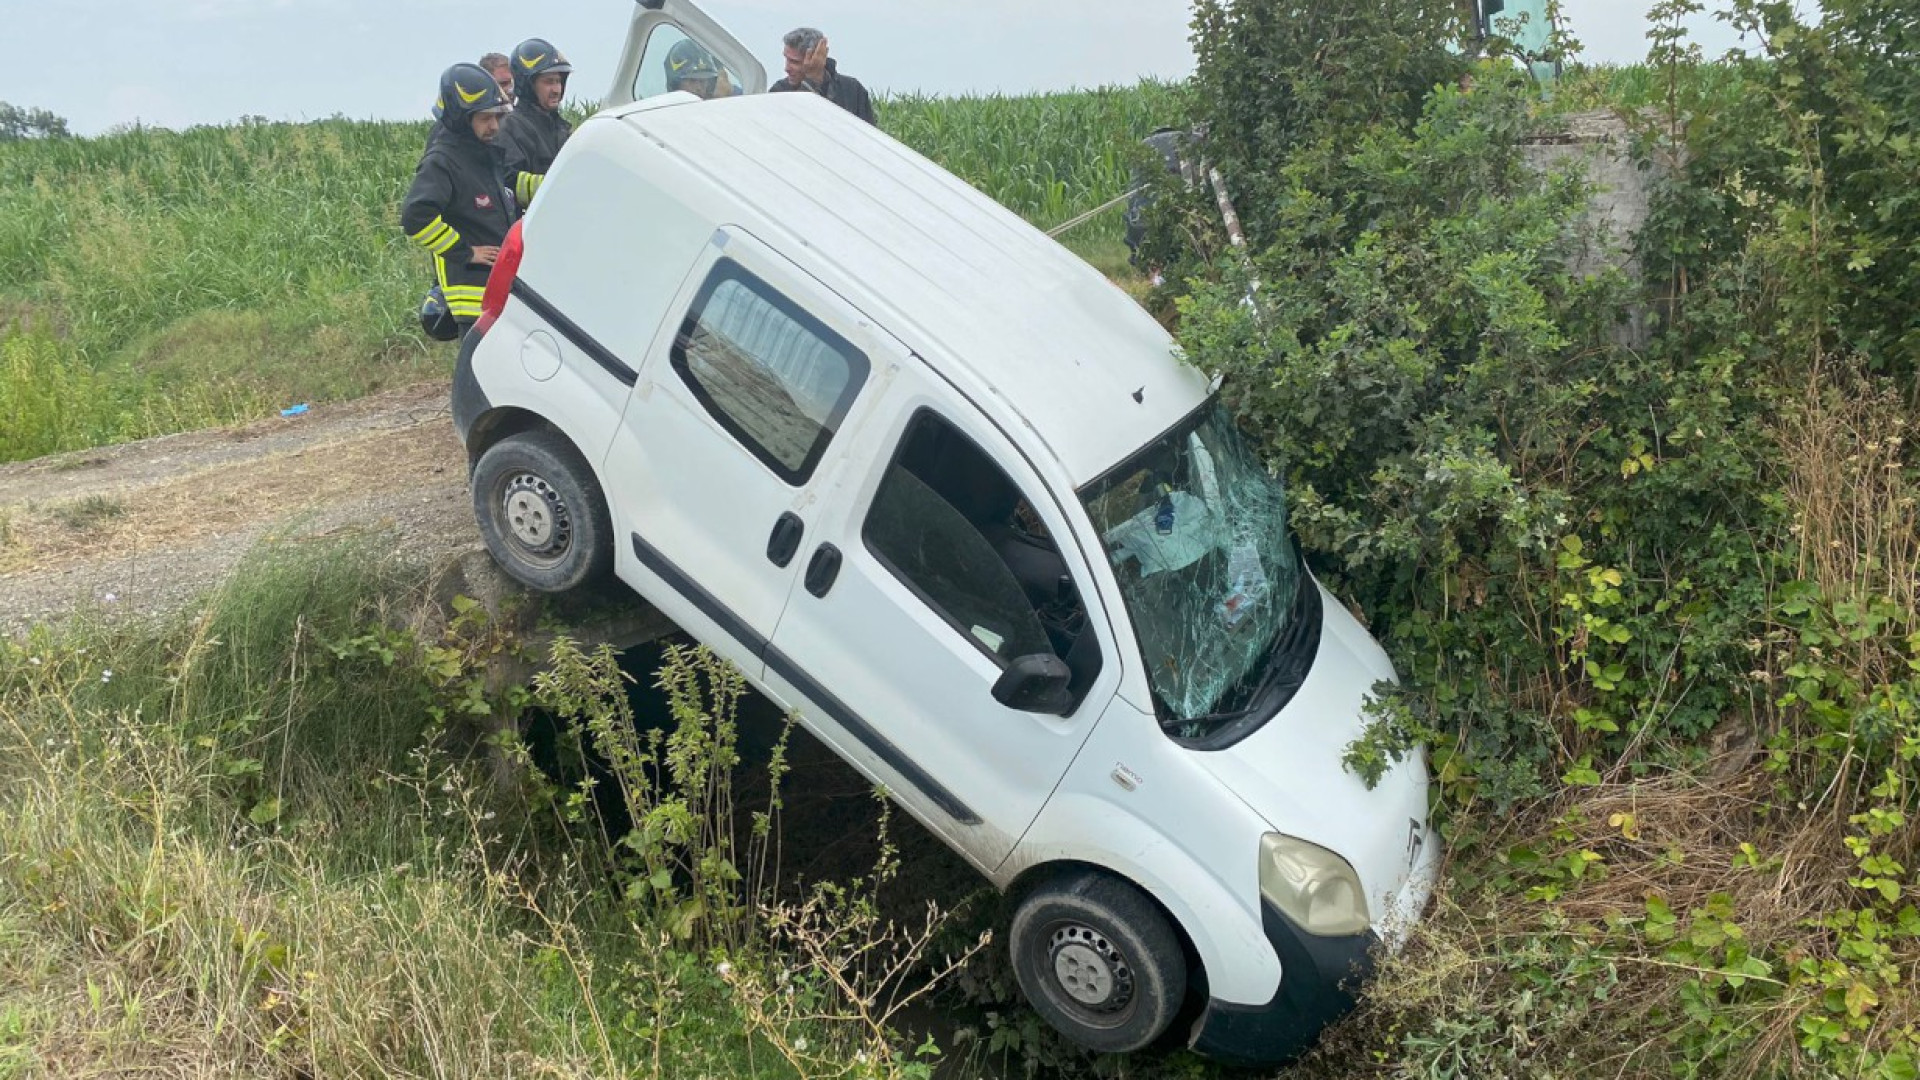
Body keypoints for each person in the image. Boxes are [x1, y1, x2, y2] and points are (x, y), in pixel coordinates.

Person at [401, 63, 516, 336]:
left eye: (496, 117)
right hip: (472, 299)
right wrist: (466, 252)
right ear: (461, 120)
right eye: (485, 118)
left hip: (495, 294)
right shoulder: (443, 161)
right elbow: (415, 217)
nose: (494, 126)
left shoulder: (480, 155)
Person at [496, 37, 573, 208]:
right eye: (549, 82)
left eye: (559, 81)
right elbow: (508, 181)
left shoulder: (562, 129)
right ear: (528, 85)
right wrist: (559, 186)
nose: (557, 90)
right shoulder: (511, 128)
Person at [770, 27, 875, 125]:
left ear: (818, 57)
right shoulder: (779, 92)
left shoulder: (852, 90)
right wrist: (810, 82)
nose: (787, 68)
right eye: (787, 59)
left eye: (795, 62)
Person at [664, 38, 734, 100]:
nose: (699, 88)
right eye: (692, 81)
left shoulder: (718, 105)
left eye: (702, 81)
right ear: (676, 85)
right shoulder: (663, 108)